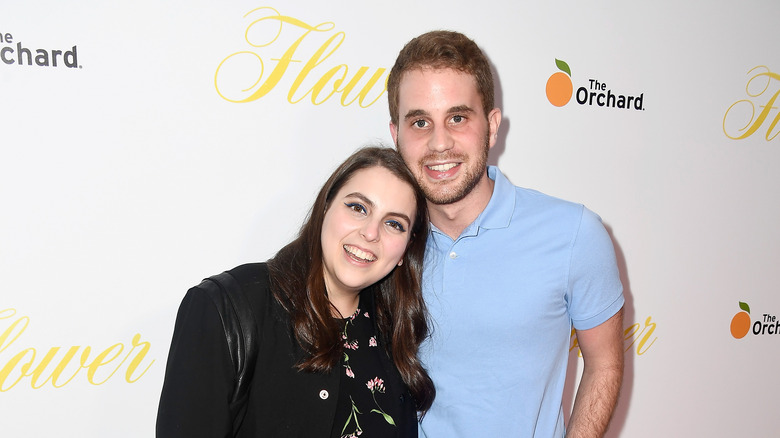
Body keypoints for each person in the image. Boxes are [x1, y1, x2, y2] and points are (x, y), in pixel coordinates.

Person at [387, 31, 625, 438]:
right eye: (420, 122)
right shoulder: (382, 244)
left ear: (492, 127)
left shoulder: (573, 234)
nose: (439, 142)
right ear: (396, 136)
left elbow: (604, 364)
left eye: (457, 118)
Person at [156, 147, 435, 437]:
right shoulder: (228, 307)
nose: (370, 233)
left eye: (394, 224)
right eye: (358, 208)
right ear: (325, 207)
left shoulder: (393, 336)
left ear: (405, 250)